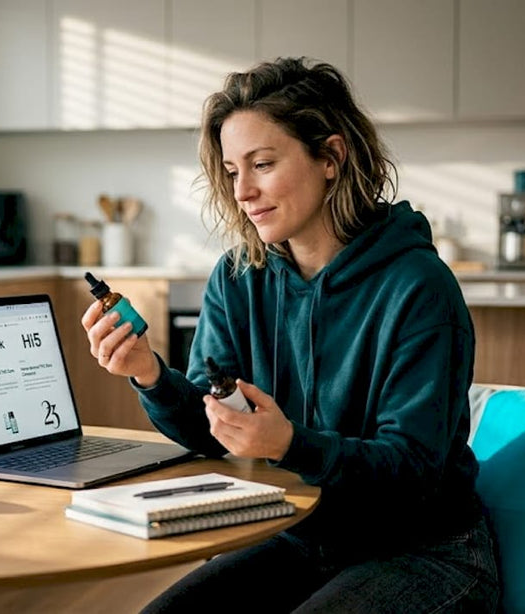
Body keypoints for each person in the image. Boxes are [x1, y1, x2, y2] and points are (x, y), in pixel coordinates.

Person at [81, 57, 499, 613]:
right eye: (232, 171)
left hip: (425, 551)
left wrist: (287, 444)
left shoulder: (418, 287)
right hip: (301, 535)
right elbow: (213, 431)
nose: (243, 191)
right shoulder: (239, 278)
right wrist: (150, 374)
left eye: (262, 164)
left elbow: (414, 473)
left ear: (330, 157)